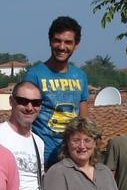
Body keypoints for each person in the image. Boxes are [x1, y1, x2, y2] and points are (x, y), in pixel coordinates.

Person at [24, 16, 90, 166]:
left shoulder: (80, 76)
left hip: (71, 155)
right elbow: (24, 116)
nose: (61, 46)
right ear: (50, 41)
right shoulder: (34, 75)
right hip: (42, 157)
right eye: (57, 40)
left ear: (76, 45)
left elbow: (84, 119)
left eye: (68, 42)